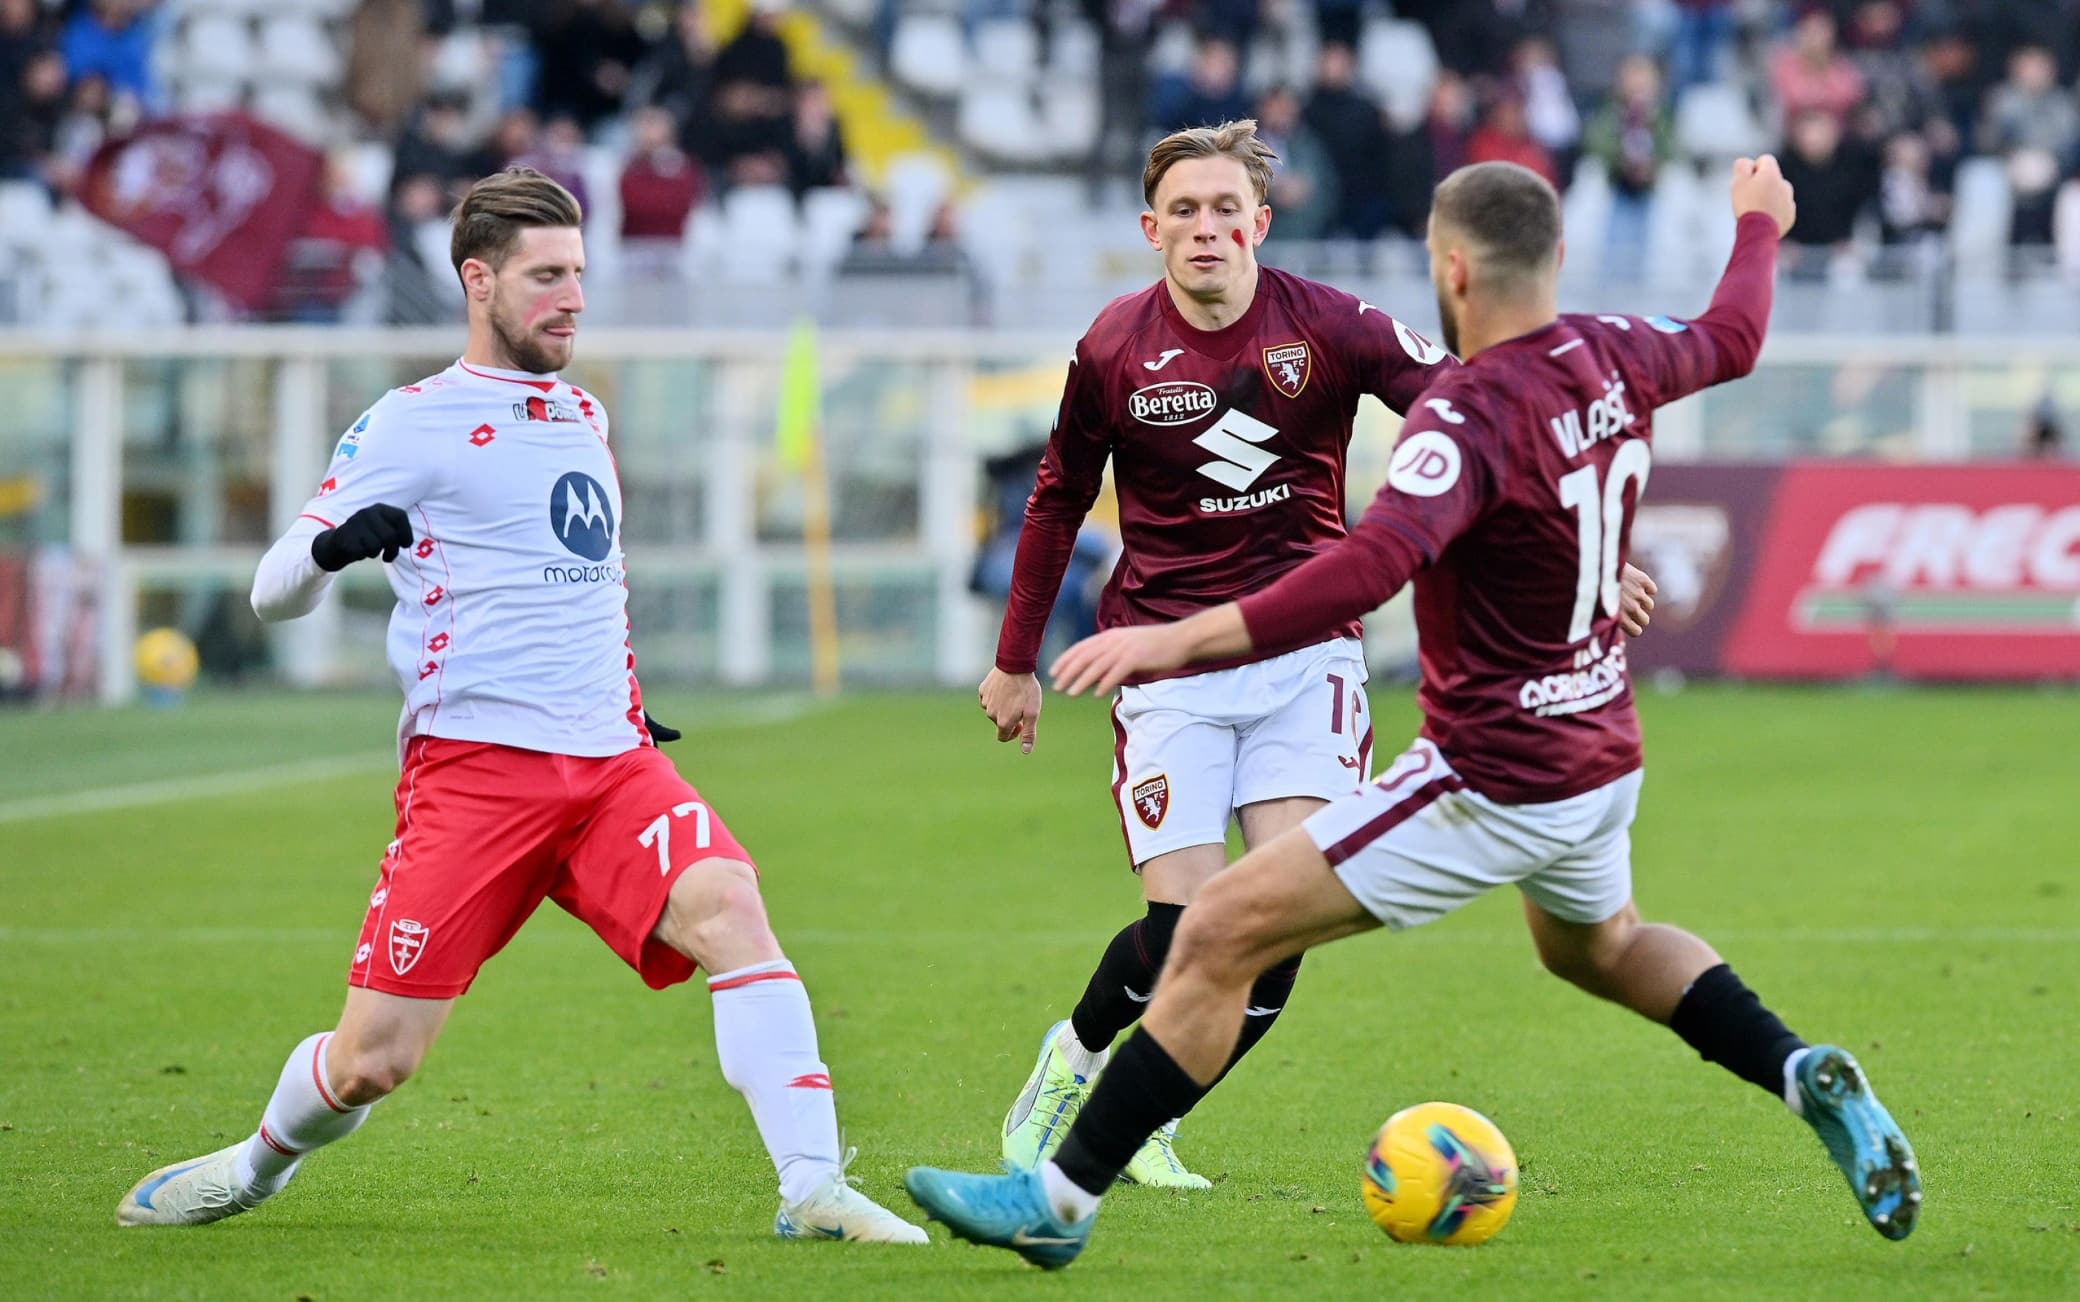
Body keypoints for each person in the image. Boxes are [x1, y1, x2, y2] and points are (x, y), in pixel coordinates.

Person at [911, 157, 1922, 1268]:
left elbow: (1362, 572)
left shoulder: (1461, 421)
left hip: (1488, 777)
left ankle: (1056, 1200)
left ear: (1449, 270)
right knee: (1605, 947)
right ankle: (1797, 1066)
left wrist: (1171, 637)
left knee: (1213, 931)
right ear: (1557, 260)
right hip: (1599, 753)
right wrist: (1756, 227)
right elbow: (1732, 334)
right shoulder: (1617, 351)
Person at [114, 168, 927, 1246]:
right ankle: (255, 1165)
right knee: (374, 1063)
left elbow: (585, 581)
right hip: (476, 779)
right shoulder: (410, 423)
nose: (571, 298)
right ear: (478, 279)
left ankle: (812, 1189)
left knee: (731, 910)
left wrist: (622, 699)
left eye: (579, 276)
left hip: (610, 769)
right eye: (546, 277)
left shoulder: (582, 411)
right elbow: (269, 592)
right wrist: (329, 548)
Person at [977, 119, 1655, 1189]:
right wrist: (1016, 661)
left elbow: (1476, 414)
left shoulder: (1332, 326)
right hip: (1165, 663)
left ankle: (1148, 1114)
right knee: (1183, 928)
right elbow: (1057, 496)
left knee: (1272, 939)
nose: (1206, 229)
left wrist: (1573, 545)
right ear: (1151, 230)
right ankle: (1074, 1059)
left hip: (1308, 660)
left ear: (1260, 221)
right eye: (1184, 212)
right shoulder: (1112, 347)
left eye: (1223, 210)